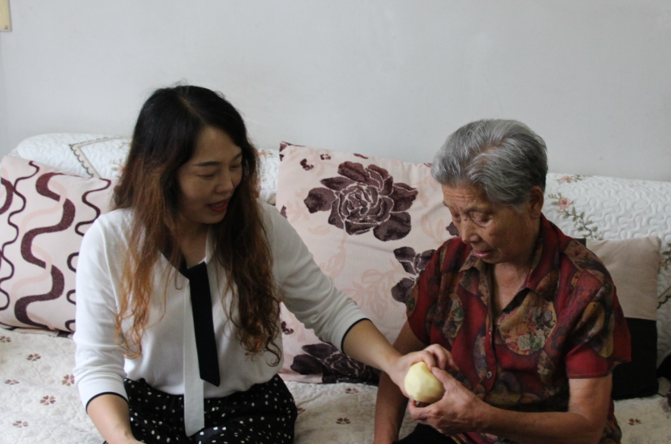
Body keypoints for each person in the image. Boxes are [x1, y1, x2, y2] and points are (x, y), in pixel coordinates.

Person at [73, 85, 448, 444]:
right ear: (160, 173)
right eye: (207, 173)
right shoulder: (111, 239)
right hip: (149, 408)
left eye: (236, 165)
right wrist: (122, 439)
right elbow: (96, 361)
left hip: (248, 411)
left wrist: (394, 364)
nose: (227, 185)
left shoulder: (261, 226)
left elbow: (328, 310)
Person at [373, 119, 631, 444]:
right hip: (456, 434)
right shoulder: (449, 261)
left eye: (481, 217)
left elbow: (587, 427)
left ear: (533, 202)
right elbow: (397, 363)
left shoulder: (585, 288)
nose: (466, 235)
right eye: (455, 215)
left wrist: (481, 417)